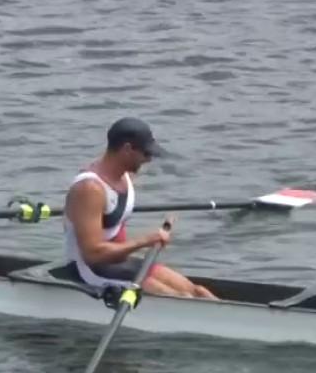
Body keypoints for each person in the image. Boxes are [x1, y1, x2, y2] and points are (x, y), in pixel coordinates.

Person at [63, 117, 217, 298]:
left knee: (197, 292)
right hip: (89, 271)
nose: (149, 159)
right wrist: (146, 241)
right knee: (185, 299)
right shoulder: (90, 189)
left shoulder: (126, 176)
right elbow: (93, 255)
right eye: (146, 154)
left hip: (118, 263)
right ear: (127, 149)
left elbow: (116, 228)